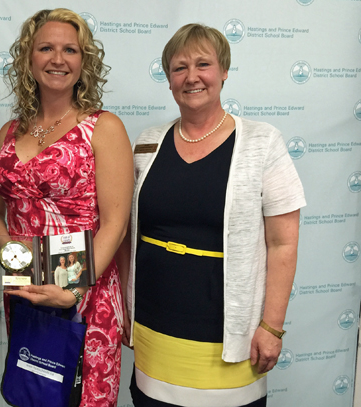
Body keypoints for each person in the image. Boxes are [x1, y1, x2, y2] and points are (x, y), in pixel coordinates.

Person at [118, 23, 306, 407]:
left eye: (203, 64)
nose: (191, 77)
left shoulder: (262, 141)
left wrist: (272, 327)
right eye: (179, 67)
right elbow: (126, 234)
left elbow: (282, 241)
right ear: (168, 78)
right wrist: (125, 305)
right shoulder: (146, 143)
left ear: (223, 71)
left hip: (228, 333)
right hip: (155, 327)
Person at [0, 8, 133, 406]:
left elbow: (116, 224)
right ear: (29, 59)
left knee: (81, 397)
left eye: (71, 50)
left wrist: (71, 287)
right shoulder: (9, 132)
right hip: (28, 291)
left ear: (84, 62)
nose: (58, 59)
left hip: (85, 296)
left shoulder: (104, 127)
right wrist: (17, 266)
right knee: (34, 393)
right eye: (46, 48)